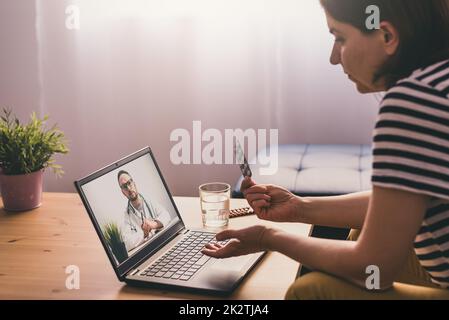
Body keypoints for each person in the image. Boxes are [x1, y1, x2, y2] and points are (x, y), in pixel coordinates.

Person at [202, 0, 449, 299]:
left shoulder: (415, 102)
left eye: (340, 38)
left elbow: (373, 266)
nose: (334, 58)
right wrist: (301, 208)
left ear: (387, 36)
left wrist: (269, 238)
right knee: (364, 232)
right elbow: (403, 199)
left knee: (312, 291)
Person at [118, 170, 171, 252]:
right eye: (124, 186)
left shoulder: (149, 200)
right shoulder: (126, 216)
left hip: (163, 243)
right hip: (147, 252)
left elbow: (166, 215)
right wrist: (144, 233)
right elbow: (127, 243)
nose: (128, 188)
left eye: (129, 183)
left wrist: (153, 224)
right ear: (123, 192)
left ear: (134, 184)